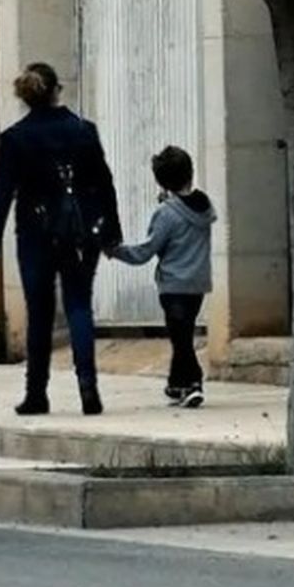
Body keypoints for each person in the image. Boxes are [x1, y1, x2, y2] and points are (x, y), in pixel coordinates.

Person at [0, 63, 122, 416]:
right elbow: (104, 183)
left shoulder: (15, 138)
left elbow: (3, 192)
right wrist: (111, 233)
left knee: (40, 313)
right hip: (80, 233)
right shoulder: (84, 131)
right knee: (79, 305)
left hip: (35, 234)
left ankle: (36, 393)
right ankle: (88, 389)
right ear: (58, 90)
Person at [107, 146, 217, 409]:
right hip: (198, 283)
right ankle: (176, 383)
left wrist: (114, 250)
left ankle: (194, 384)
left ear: (161, 181)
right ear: (190, 172)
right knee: (183, 333)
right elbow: (185, 214)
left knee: (181, 339)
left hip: (173, 285)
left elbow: (145, 252)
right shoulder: (205, 205)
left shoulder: (166, 213)